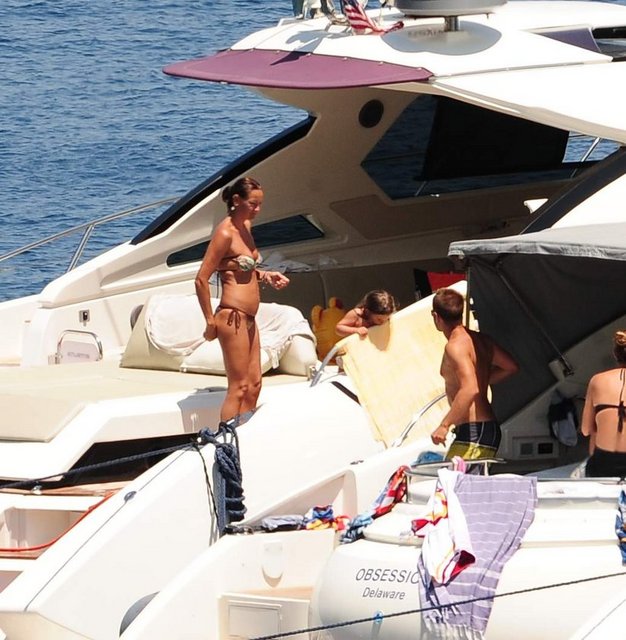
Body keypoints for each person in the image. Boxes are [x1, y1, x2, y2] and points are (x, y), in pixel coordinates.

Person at [195, 177, 290, 425]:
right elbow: (201, 279)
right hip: (232, 316)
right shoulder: (225, 233)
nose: (257, 210)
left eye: (260, 204)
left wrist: (266, 275)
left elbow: (243, 268)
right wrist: (210, 322)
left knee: (254, 383)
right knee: (238, 387)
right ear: (236, 200)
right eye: (253, 204)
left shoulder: (246, 227)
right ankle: (226, 438)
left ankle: (245, 431)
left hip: (249, 317)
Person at [430, 287, 519, 460]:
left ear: (436, 316)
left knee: (451, 477)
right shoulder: (481, 340)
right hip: (481, 429)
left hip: (475, 429)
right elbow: (510, 367)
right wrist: (482, 379)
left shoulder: (455, 347)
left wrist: (444, 425)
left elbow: (470, 389)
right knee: (452, 475)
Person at [581, 330, 626, 477]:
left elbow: (586, 429)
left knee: (596, 428)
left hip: (603, 464)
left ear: (615, 354)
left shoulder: (597, 380)